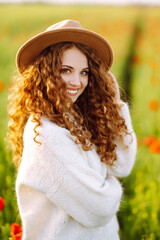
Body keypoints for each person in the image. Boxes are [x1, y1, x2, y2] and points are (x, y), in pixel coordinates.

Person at [8, 19, 137, 240]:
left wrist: (115, 105)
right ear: (45, 73)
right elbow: (99, 208)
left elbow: (121, 165)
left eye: (84, 72)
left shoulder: (78, 118)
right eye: (66, 70)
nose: (76, 81)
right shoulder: (46, 136)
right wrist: (112, 187)